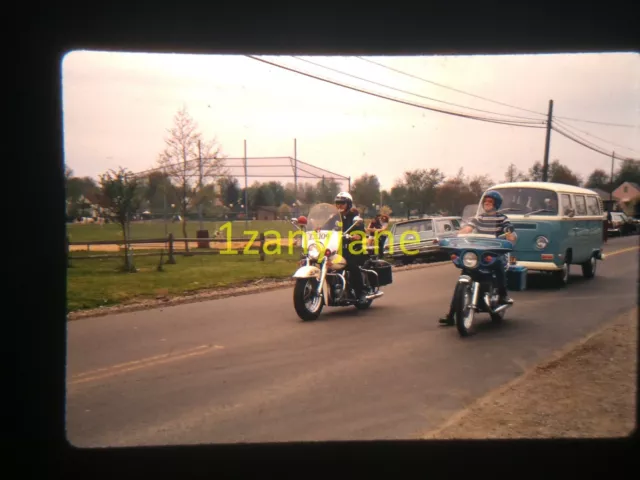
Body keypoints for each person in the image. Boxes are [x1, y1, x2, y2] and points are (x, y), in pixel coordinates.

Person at [438, 191, 517, 326]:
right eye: (485, 201)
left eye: (490, 201)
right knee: (464, 274)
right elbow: (468, 228)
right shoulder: (479, 218)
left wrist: (509, 233)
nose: (486, 203)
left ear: (496, 204)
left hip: (494, 252)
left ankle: (503, 296)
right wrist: (457, 235)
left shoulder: (502, 218)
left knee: (498, 266)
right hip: (479, 251)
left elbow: (510, 233)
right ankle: (451, 315)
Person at [333, 191, 368, 305]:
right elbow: (326, 228)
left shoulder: (355, 218)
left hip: (354, 249)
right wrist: (318, 229)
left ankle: (360, 293)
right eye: (337, 203)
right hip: (338, 249)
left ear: (348, 204)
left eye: (342, 203)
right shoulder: (335, 218)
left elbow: (360, 231)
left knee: (352, 265)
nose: (339, 205)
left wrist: (356, 236)